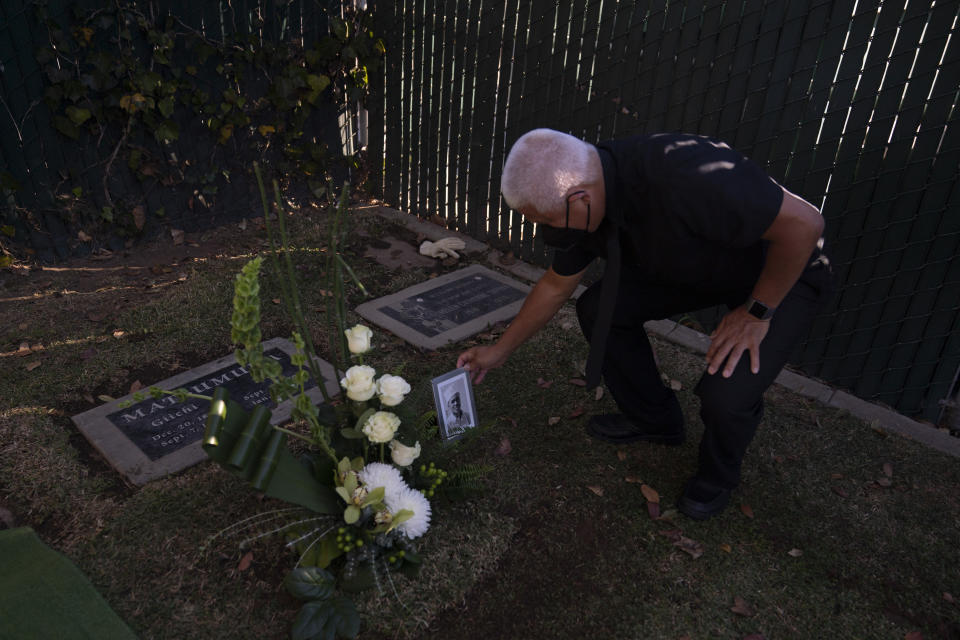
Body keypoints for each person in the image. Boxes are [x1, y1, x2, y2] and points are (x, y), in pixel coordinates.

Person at [456, 128, 832, 520]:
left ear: (581, 199)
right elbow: (555, 285)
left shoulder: (689, 175)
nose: (548, 233)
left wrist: (757, 312)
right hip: (697, 266)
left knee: (726, 393)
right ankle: (655, 419)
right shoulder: (588, 197)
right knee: (600, 308)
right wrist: (498, 351)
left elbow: (805, 224)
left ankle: (718, 474)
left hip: (780, 271)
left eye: (548, 221)